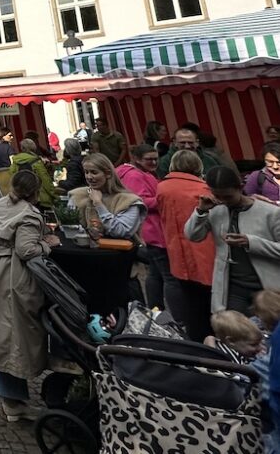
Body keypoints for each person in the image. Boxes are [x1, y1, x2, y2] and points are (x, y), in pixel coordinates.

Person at [0, 169, 59, 423]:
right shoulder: (29, 214)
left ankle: (10, 396)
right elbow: (27, 249)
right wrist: (48, 243)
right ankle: (12, 401)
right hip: (12, 277)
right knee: (13, 335)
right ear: (34, 192)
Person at [186, 166, 280, 313]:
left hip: (268, 286)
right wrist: (201, 211)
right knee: (236, 332)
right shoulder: (215, 210)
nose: (223, 201)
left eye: (228, 197)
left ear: (240, 187)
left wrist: (250, 242)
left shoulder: (270, 213)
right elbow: (193, 235)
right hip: (232, 287)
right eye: (218, 196)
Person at [156, 150, 217, 341]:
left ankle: (195, 341)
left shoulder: (163, 188)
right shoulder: (205, 190)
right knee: (211, 303)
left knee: (190, 301)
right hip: (205, 251)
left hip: (177, 251)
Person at [116, 144, 170, 308]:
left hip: (149, 228)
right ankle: (162, 311)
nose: (154, 162)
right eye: (149, 159)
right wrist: (164, 199)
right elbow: (139, 201)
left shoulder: (139, 173)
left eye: (155, 159)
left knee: (155, 273)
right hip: (150, 228)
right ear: (137, 159)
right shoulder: (134, 176)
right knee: (166, 275)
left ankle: (155, 309)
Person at [67, 154, 146, 240]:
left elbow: (121, 232)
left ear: (108, 174)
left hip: (119, 251)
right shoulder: (78, 195)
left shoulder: (129, 201)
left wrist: (98, 204)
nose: (89, 177)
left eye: (94, 172)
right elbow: (70, 227)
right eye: (86, 172)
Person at [156, 125, 229, 178]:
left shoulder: (209, 160)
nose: (187, 146)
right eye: (182, 143)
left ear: (197, 142)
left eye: (190, 142)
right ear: (175, 142)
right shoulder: (165, 162)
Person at [7, 139, 57, 208]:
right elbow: (46, 180)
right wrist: (54, 195)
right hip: (38, 198)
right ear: (34, 147)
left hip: (21, 199)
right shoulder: (36, 161)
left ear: (22, 148)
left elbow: (12, 178)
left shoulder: (15, 162)